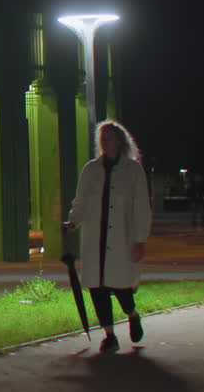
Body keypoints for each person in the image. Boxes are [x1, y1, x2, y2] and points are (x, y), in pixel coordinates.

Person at [62, 120, 152, 354]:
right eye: (102, 137)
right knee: (97, 287)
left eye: (109, 137)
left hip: (122, 238)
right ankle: (109, 335)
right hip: (95, 238)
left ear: (120, 140)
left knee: (121, 285)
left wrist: (140, 239)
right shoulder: (91, 169)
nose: (105, 141)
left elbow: (142, 206)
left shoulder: (132, 170)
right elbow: (80, 201)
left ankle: (131, 315)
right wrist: (73, 221)